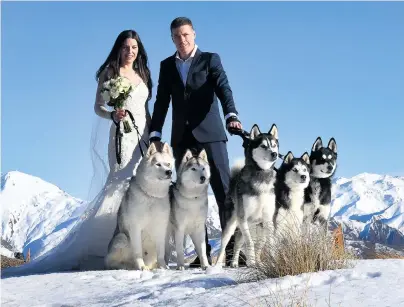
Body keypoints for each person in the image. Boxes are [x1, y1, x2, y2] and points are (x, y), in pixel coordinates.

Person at [2, 30, 153, 276]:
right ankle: (117, 247)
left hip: (142, 136)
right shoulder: (110, 73)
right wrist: (112, 115)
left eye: (134, 47)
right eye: (126, 47)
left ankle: (145, 248)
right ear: (119, 48)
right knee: (121, 185)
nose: (130, 52)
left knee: (142, 187)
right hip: (121, 137)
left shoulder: (143, 73)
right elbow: (98, 107)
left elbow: (146, 108)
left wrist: (153, 135)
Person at [149, 17, 244, 267]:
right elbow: (161, 102)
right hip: (182, 138)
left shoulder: (210, 59)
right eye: (177, 36)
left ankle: (235, 251)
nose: (182, 40)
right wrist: (155, 133)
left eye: (186, 35)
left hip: (211, 134)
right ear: (172, 39)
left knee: (223, 192)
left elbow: (224, 88)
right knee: (187, 195)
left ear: (194, 34)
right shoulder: (166, 66)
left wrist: (231, 115)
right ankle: (204, 255)